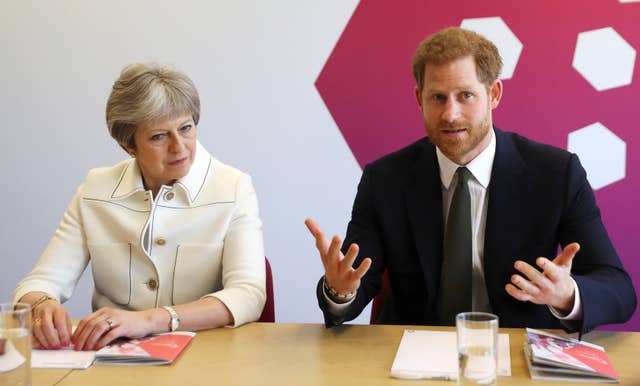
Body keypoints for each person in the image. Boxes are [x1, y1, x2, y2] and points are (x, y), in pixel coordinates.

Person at [306, 27, 636, 333]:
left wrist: (567, 295)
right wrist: (339, 291)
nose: (450, 114)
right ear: (418, 98)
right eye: (437, 97)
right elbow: (353, 287)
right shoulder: (384, 180)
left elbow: (618, 289)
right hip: (413, 354)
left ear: (493, 94)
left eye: (465, 95)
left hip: (516, 350)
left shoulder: (556, 173)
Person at [14, 63, 266, 351]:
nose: (179, 147)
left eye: (186, 128)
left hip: (206, 354)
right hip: (110, 357)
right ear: (128, 146)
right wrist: (42, 303)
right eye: (159, 136)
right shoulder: (95, 189)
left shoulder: (233, 187)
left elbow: (248, 294)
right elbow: (41, 281)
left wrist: (149, 320)